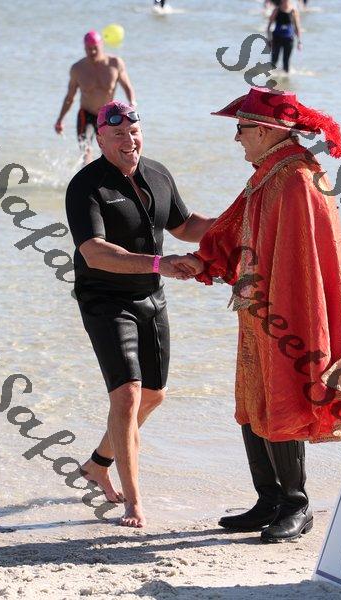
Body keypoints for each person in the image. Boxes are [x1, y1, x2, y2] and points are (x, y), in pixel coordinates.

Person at [172, 86, 341, 543]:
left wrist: (282, 309)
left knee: (283, 394)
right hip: (260, 308)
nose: (236, 138)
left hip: (287, 310)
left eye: (241, 129)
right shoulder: (272, 171)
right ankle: (268, 499)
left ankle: (296, 504)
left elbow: (303, 260)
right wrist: (203, 260)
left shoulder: (297, 177)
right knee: (253, 396)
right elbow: (236, 226)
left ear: (263, 130)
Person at [65, 101, 216, 528]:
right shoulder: (86, 186)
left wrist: (237, 221)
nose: (128, 141)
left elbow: (185, 226)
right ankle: (133, 502)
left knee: (153, 395)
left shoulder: (158, 174)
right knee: (127, 395)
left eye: (134, 132)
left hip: (151, 297)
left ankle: (97, 465)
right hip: (105, 300)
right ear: (100, 140)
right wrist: (159, 263)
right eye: (118, 135)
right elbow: (94, 253)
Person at [55, 31, 136, 165]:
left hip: (108, 115)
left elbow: (128, 87)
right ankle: (87, 174)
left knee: (109, 151)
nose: (92, 52)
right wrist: (60, 119)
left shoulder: (115, 63)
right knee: (85, 150)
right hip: (85, 114)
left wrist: (132, 104)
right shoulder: (77, 69)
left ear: (101, 45)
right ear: (84, 47)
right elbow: (70, 97)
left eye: (95, 48)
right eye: (88, 49)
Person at [267, 0, 302, 74]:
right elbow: (269, 26)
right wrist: (269, 40)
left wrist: (299, 42)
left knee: (286, 62)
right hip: (277, 38)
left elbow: (297, 27)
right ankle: (270, 78)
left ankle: (285, 79)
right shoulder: (276, 10)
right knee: (274, 60)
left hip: (289, 39)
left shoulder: (293, 11)